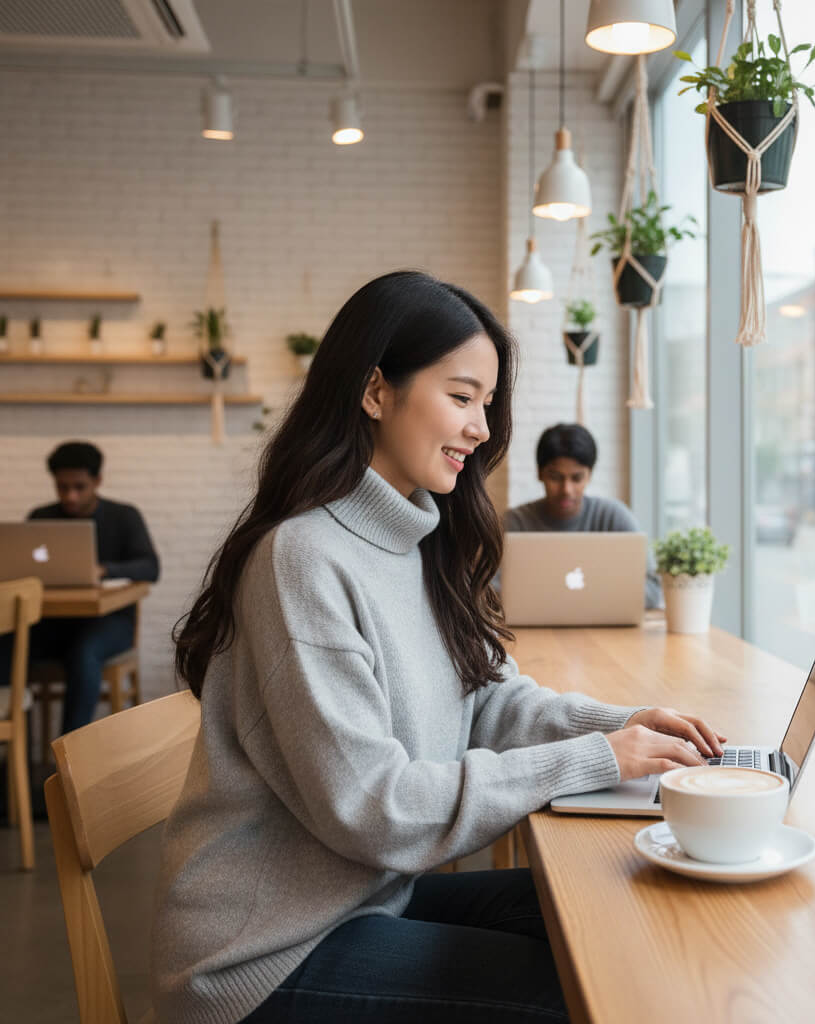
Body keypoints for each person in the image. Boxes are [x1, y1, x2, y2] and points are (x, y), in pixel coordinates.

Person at [151, 271, 726, 1024]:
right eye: (461, 398)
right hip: (266, 955)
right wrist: (599, 760)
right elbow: (374, 808)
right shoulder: (303, 560)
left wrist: (626, 728)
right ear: (375, 392)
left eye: (487, 404)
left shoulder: (418, 539)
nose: (483, 429)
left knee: (621, 904)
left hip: (364, 896)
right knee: (585, 989)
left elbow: (486, 696)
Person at [0, 441, 159, 733]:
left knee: (84, 651)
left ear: (97, 481)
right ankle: (11, 757)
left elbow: (150, 567)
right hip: (52, 623)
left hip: (110, 623)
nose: (70, 496)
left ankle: (67, 758)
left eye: (79, 486)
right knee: (5, 644)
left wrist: (105, 570)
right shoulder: (40, 518)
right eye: (62, 487)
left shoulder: (123, 516)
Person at [504, 423, 664, 609]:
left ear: (589, 476)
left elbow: (653, 590)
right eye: (555, 477)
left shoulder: (614, 517)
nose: (566, 490)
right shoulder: (513, 524)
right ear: (540, 474)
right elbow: (486, 590)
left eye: (577, 478)